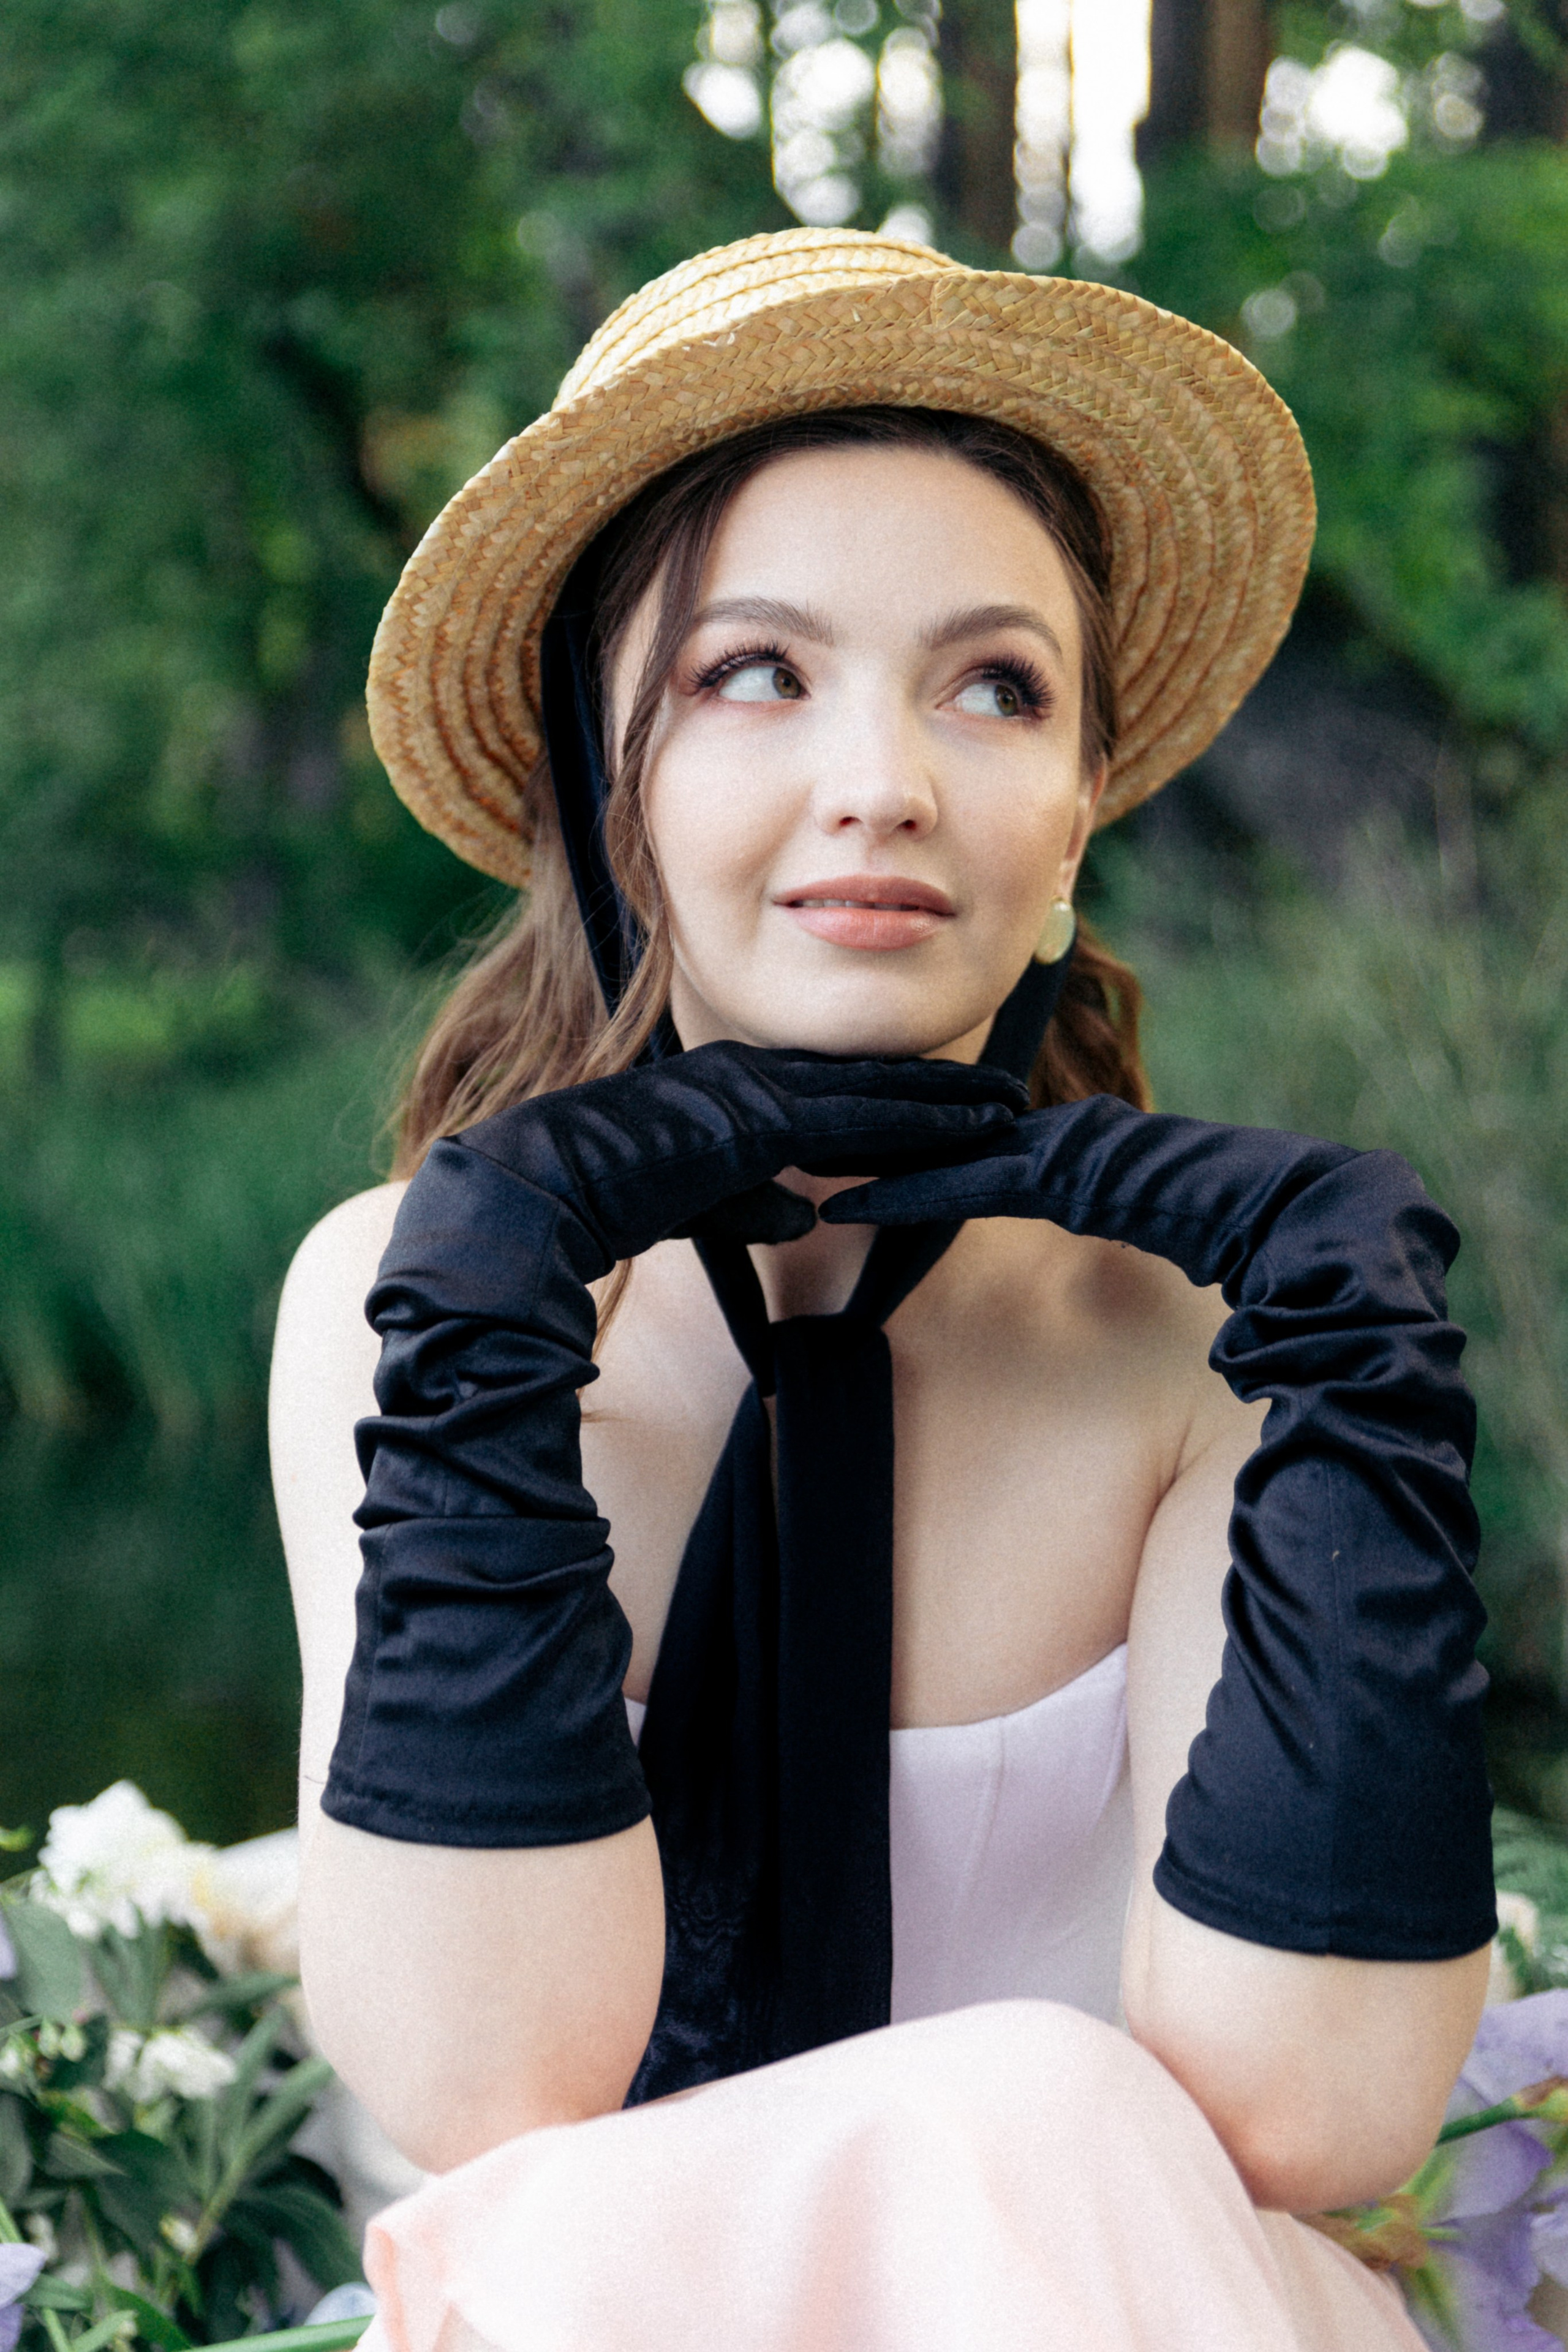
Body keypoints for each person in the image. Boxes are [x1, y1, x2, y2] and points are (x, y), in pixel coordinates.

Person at [269, 228, 1496, 2351]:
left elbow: (1307, 2117)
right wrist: (492, 1303)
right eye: (757, 672)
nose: (887, 782)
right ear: (606, 776)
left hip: (1133, 2302)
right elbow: (498, 2094)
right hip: (599, 2308)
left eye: (994, 685)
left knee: (1041, 2117)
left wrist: (1354, 1352)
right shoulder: (412, 1300)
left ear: (1080, 806)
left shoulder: (1212, 1350)